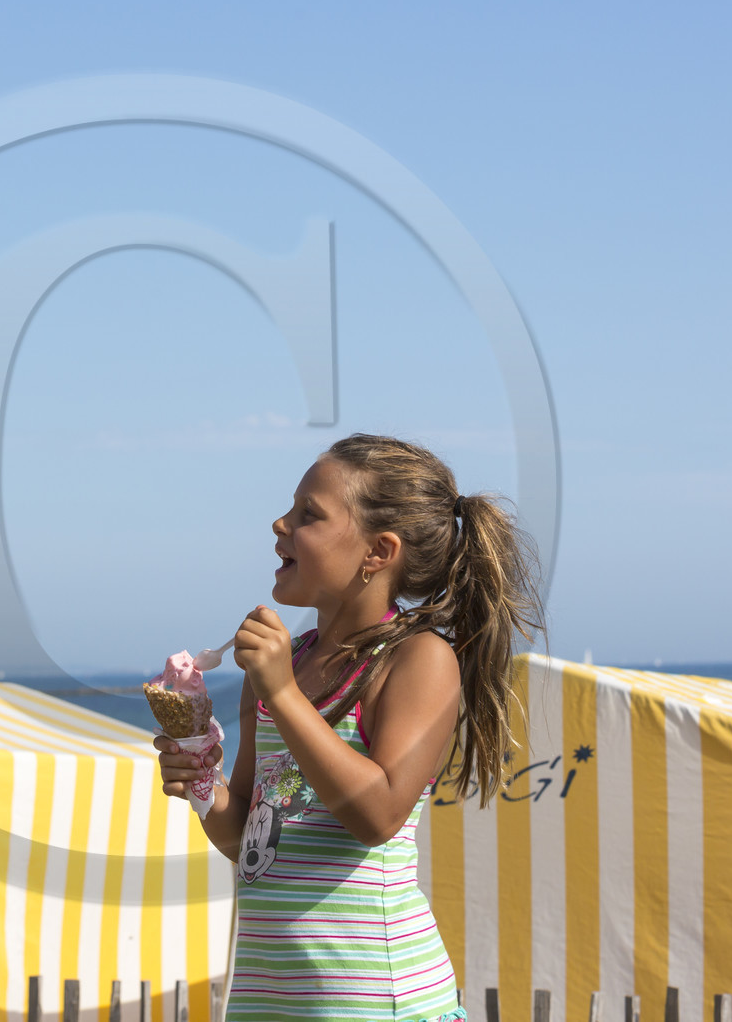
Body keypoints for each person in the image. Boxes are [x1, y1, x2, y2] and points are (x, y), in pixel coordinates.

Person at [156, 434, 543, 1022]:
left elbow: (378, 815)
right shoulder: (283, 666)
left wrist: (283, 692)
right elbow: (248, 843)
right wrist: (203, 783)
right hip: (269, 1000)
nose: (279, 523)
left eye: (308, 514)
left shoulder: (417, 660)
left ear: (378, 552)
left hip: (374, 1000)